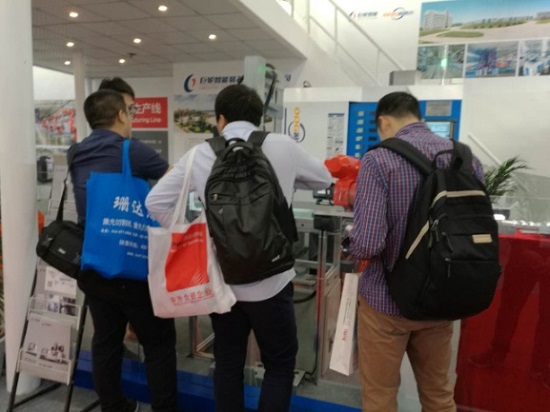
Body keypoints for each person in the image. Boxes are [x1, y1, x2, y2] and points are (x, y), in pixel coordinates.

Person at [146, 84, 332, 412]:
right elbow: (324, 179)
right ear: (259, 118)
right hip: (273, 280)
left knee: (228, 363)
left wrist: (199, 236)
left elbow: (156, 201)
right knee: (279, 365)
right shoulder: (283, 145)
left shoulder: (199, 154)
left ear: (220, 119)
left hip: (224, 283)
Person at [347, 91, 485, 412]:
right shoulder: (466, 158)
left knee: (380, 397)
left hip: (387, 302)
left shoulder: (379, 160)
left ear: (383, 122)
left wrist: (348, 242)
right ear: (417, 116)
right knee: (438, 395)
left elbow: (368, 243)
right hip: (442, 297)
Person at [69, 89, 178, 412]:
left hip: (94, 264)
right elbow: (174, 179)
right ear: (121, 115)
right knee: (158, 344)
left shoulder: (76, 153)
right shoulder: (132, 150)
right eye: (129, 112)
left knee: (105, 341)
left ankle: (113, 406)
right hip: (133, 266)